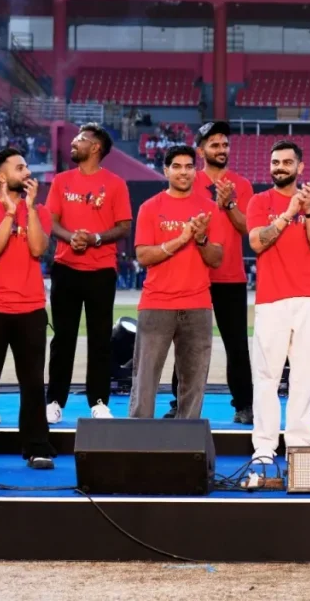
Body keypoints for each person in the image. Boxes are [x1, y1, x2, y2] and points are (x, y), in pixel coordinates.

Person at [247, 141, 310, 464]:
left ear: (300, 167)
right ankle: (264, 447)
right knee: (266, 376)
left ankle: (299, 445)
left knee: (305, 376)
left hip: (308, 298)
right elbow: (257, 242)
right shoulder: (259, 201)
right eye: (275, 162)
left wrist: (308, 211)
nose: (280, 167)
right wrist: (288, 214)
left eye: (286, 162)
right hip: (271, 299)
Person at [129, 145, 225, 420]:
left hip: (197, 305)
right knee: (145, 380)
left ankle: (188, 439)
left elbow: (216, 259)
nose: (183, 172)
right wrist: (181, 240)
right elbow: (143, 256)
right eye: (177, 167)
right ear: (166, 170)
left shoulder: (209, 209)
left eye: (189, 167)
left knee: (194, 383)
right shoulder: (150, 208)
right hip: (156, 303)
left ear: (196, 171)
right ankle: (136, 437)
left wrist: (201, 239)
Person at [44, 123, 131, 423]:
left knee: (100, 340)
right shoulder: (61, 181)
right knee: (63, 339)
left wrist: (94, 238)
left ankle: (98, 402)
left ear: (95, 148)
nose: (74, 142)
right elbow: (50, 221)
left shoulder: (116, 184)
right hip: (65, 268)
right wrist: (71, 237)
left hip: (101, 270)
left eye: (80, 139)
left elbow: (124, 226)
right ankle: (55, 401)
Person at [0, 148, 57, 468]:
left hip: (30, 308)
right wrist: (9, 213)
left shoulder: (39, 211)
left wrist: (27, 208)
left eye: (27, 166)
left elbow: (39, 248)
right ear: (1, 177)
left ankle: (37, 446)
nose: (27, 172)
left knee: (33, 383)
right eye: (19, 167)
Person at [193, 121, 255, 424]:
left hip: (231, 276)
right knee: (190, 345)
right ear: (200, 150)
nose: (221, 149)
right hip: (194, 276)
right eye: (214, 144)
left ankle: (244, 405)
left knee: (237, 345)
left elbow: (248, 229)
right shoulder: (189, 180)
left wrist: (229, 203)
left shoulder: (241, 185)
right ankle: (181, 404)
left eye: (225, 144)